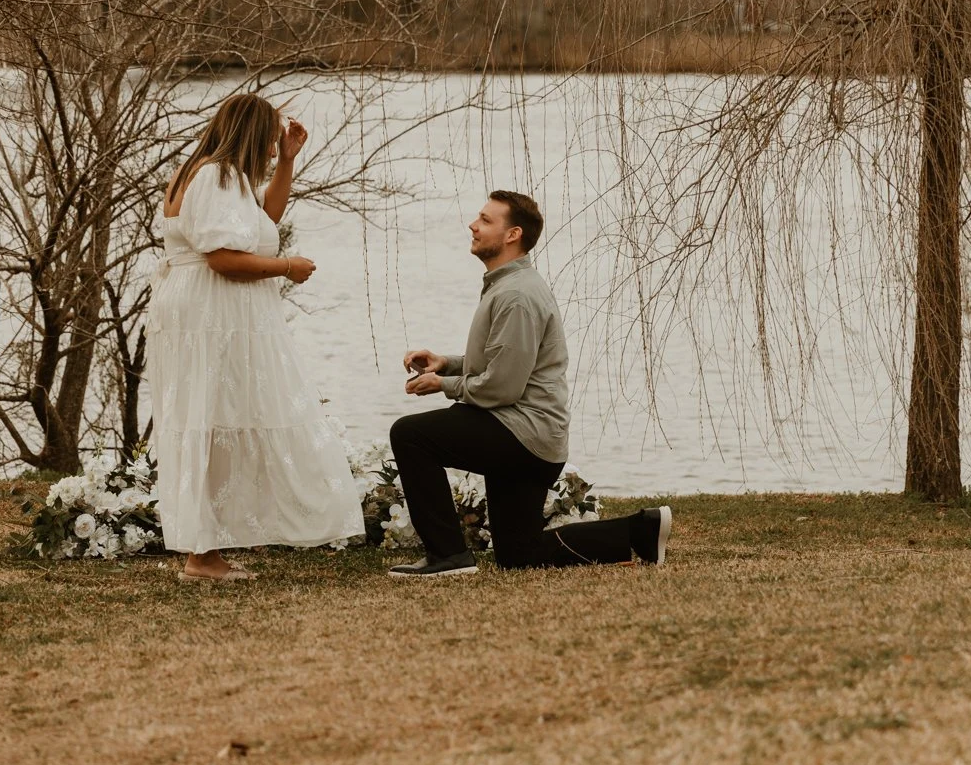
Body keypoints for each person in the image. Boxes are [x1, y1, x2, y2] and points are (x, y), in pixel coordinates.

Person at [390, 190, 671, 578]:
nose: (473, 225)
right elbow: (503, 365)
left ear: (512, 235)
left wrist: (445, 384)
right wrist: (446, 363)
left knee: (410, 435)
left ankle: (448, 556)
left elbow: (502, 388)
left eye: (486, 220)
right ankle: (641, 529)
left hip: (520, 434)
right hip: (531, 438)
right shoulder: (508, 286)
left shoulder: (517, 294)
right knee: (519, 553)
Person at [148, 92, 362, 581]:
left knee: (217, 418)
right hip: (211, 315)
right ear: (250, 132)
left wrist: (288, 162)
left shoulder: (210, 173)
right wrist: (287, 266)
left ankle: (208, 549)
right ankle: (203, 557)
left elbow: (263, 223)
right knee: (214, 419)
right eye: (270, 138)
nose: (272, 146)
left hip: (204, 312)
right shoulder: (217, 175)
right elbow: (223, 257)